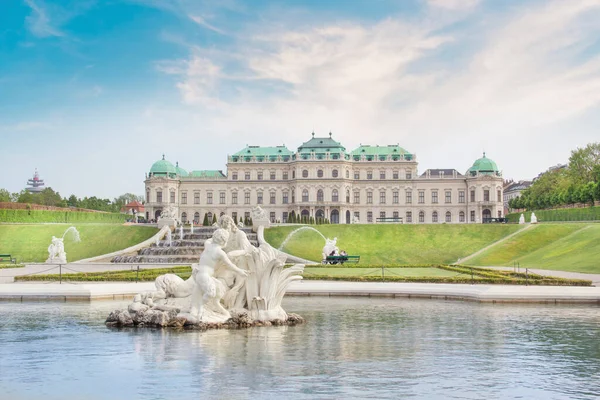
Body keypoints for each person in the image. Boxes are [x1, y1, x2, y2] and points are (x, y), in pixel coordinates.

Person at [189, 228, 249, 319]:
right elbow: (230, 265)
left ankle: (213, 307)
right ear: (224, 241)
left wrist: (216, 235)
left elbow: (209, 240)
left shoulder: (208, 245)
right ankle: (200, 307)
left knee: (217, 291)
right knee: (211, 293)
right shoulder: (220, 252)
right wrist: (240, 271)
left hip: (200, 274)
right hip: (205, 276)